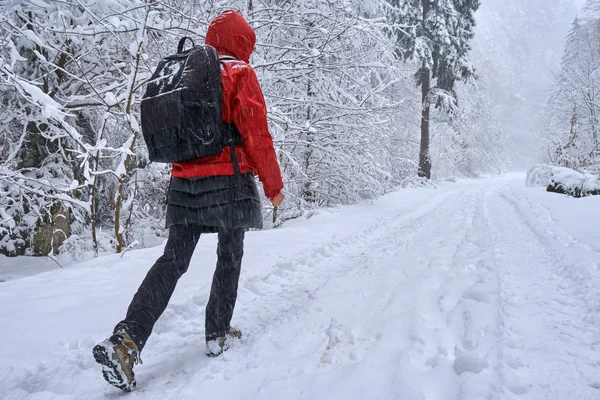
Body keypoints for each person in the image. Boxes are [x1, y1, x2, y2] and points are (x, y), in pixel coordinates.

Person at [92, 10, 284, 392]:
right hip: (228, 183)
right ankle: (218, 332)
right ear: (243, 43)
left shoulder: (188, 73)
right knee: (229, 255)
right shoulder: (239, 74)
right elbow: (256, 133)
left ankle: (127, 339)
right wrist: (272, 184)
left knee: (173, 261)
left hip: (183, 186)